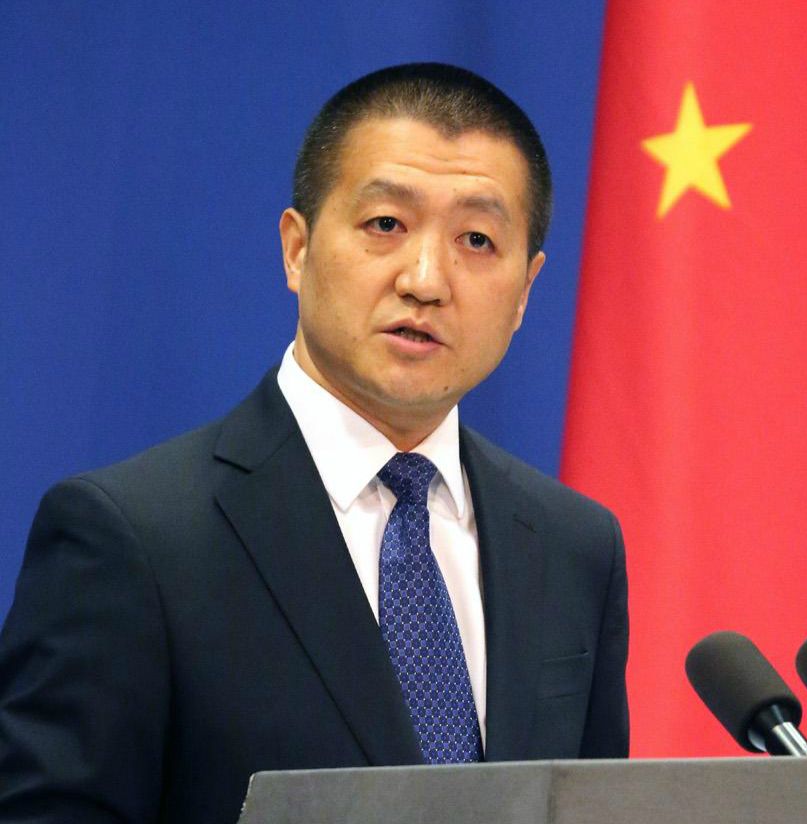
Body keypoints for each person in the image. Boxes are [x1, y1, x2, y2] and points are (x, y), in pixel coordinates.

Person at [0, 63, 628, 824]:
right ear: (296, 249)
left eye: (476, 239)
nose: (426, 279)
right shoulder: (133, 537)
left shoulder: (574, 546)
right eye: (386, 225)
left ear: (526, 290)